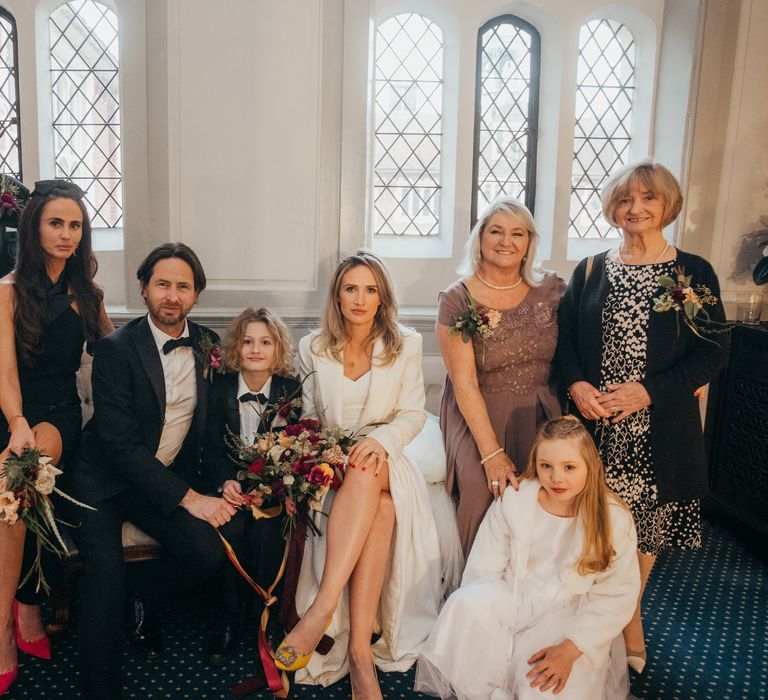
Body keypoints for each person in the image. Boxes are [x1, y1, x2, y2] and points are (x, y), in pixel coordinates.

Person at [554, 160, 730, 673]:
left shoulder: (692, 272)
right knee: (600, 527)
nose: (637, 208)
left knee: (646, 532)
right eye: (627, 199)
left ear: (667, 206)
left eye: (649, 198)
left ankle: (629, 617)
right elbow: (564, 343)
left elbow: (713, 351)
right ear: (613, 207)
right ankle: (602, 613)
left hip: (659, 424)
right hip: (596, 427)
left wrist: (647, 393)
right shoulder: (589, 269)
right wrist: (577, 384)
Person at [65, 242, 235, 699]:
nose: (172, 296)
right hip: (101, 482)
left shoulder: (207, 345)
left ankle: (145, 598)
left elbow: (213, 427)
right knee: (104, 576)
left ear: (196, 294)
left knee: (206, 554)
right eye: (162, 284)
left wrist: (221, 482)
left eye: (183, 286)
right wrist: (190, 498)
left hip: (157, 481)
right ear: (144, 288)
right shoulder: (116, 349)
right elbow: (117, 446)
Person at [279, 250, 445, 697]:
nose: (360, 298)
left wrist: (381, 442)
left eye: (370, 289)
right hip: (339, 460)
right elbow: (311, 416)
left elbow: (413, 413)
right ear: (337, 295)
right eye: (351, 288)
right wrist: (325, 452)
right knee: (383, 511)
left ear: (382, 297)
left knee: (368, 468)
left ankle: (321, 609)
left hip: (394, 452)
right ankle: (359, 654)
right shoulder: (312, 346)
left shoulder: (405, 343)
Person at [415, 417, 640, 700]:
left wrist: (572, 647)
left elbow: (616, 595)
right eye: (547, 466)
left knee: (543, 689)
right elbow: (483, 568)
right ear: (536, 464)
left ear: (590, 466)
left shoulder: (613, 519)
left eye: (569, 467)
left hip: (568, 617)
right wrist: (493, 633)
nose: (556, 478)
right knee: (464, 603)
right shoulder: (516, 500)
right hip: (513, 595)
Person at [0, 180, 112, 696]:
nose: (67, 234)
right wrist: (15, 422)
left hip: (58, 415)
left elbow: (113, 357)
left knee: (18, 476)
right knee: (13, 479)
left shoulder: (87, 293)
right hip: (12, 410)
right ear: (34, 227)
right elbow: (5, 375)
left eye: (75, 225)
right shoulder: (5, 292)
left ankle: (2, 628)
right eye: (56, 223)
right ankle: (22, 607)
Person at [437, 196, 565, 555]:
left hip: (541, 408)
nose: (506, 241)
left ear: (529, 243)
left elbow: (584, 345)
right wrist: (491, 452)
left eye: (517, 233)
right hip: (477, 408)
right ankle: (476, 593)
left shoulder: (552, 288)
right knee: (484, 487)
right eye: (495, 231)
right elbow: (463, 383)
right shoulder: (457, 299)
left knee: (546, 487)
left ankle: (533, 585)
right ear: (480, 238)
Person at [201, 307, 302, 666]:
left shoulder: (290, 391)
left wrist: (270, 487)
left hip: (270, 491)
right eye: (247, 342)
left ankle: (268, 619)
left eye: (265, 342)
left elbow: (294, 448)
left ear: (278, 349)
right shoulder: (220, 389)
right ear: (235, 347)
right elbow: (210, 446)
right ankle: (229, 619)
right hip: (229, 487)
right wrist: (224, 481)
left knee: (268, 532)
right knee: (232, 530)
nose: (255, 350)